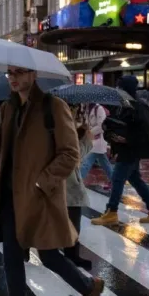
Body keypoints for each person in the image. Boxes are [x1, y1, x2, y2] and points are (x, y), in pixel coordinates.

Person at [0, 66, 104, 296]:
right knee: (11, 257)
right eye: (10, 73)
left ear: (33, 75)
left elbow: (70, 154)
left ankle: (89, 287)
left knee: (48, 255)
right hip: (10, 196)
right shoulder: (8, 109)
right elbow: (1, 153)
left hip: (40, 196)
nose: (13, 78)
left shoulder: (53, 107)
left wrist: (42, 182)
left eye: (19, 73)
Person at [92, 76, 149, 226]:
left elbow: (145, 130)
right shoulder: (123, 104)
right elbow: (117, 124)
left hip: (132, 149)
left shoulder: (139, 106)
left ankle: (111, 211)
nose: (118, 90)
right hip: (126, 148)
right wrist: (110, 131)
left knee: (117, 179)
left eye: (120, 87)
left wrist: (126, 139)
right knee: (134, 178)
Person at [66, 108, 94, 271]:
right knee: (72, 221)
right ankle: (71, 256)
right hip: (68, 185)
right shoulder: (62, 127)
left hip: (62, 185)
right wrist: (87, 140)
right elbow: (73, 156)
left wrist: (80, 132)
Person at [79, 102, 113, 185]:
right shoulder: (87, 109)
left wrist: (90, 132)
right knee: (105, 164)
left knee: (86, 163)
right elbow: (87, 123)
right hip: (92, 140)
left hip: (98, 141)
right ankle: (114, 180)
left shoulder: (99, 109)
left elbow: (102, 126)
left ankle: (78, 182)